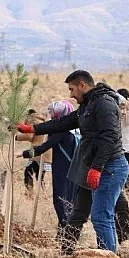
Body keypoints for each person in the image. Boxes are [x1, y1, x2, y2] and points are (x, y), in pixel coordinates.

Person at [15, 70, 128, 254]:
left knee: (101, 216)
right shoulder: (88, 104)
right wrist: (33, 128)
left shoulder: (104, 103)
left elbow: (109, 138)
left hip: (110, 167)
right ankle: (66, 252)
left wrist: (97, 168)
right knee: (78, 213)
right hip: (92, 166)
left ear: (82, 85)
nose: (71, 95)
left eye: (72, 89)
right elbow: (62, 123)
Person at [19, 100, 77, 234]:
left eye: (53, 113)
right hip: (70, 168)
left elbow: (43, 148)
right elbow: (43, 128)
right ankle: (65, 232)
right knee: (68, 201)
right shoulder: (70, 129)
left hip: (63, 170)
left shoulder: (61, 131)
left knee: (61, 201)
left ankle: (66, 234)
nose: (50, 115)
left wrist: (24, 153)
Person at [16, 109, 52, 191]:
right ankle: (43, 194)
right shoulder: (41, 120)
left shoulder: (31, 121)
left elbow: (29, 136)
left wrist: (16, 137)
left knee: (28, 172)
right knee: (39, 176)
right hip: (46, 152)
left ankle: (30, 193)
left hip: (37, 152)